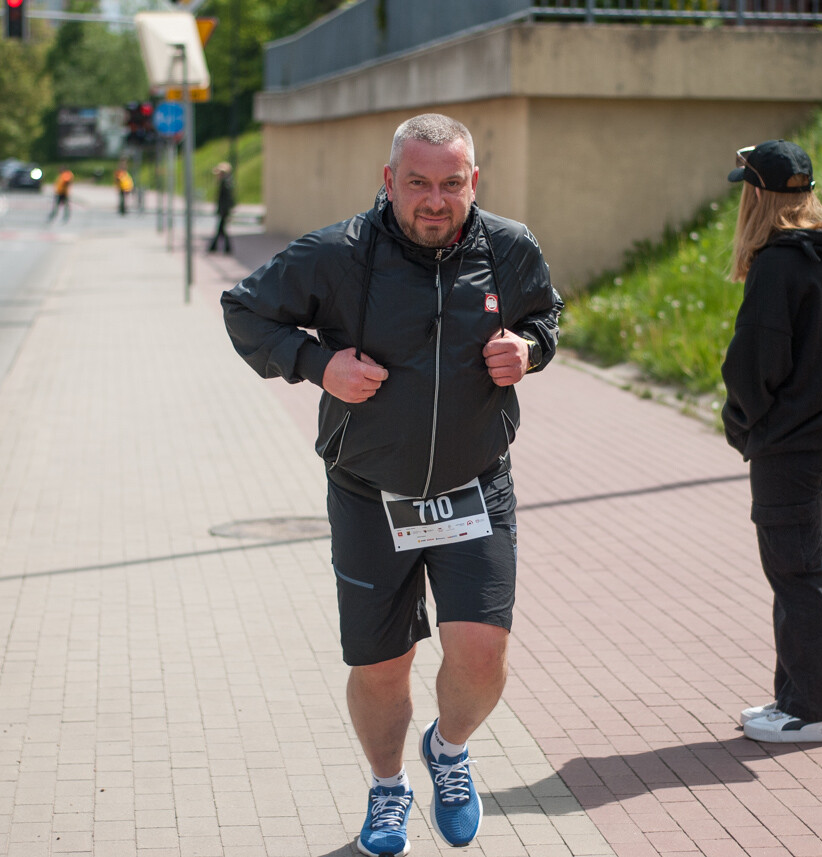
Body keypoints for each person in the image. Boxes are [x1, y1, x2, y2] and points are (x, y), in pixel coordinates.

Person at [221, 113, 562, 856]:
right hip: (370, 491)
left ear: (474, 182)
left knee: (481, 653)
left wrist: (529, 350)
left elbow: (547, 314)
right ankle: (388, 788)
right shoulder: (338, 254)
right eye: (417, 183)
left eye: (450, 183)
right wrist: (320, 367)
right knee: (382, 666)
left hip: (475, 486)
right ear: (389, 182)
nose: (434, 200)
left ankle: (447, 749)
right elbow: (243, 308)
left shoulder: (509, 248)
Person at [721, 139, 822, 744]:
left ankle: (813, 711)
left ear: (757, 195)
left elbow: (754, 365)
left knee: (797, 571)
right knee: (807, 566)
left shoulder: (777, 264)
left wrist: (744, 423)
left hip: (789, 446)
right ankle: (795, 698)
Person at [208, 161, 234, 253]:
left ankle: (215, 247)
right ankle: (221, 248)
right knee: (221, 230)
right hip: (224, 210)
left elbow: (227, 199)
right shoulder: (226, 182)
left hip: (224, 210)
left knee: (221, 229)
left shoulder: (225, 183)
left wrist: (224, 210)